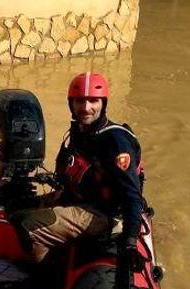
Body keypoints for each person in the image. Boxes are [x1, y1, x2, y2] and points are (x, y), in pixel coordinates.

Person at [9, 71, 145, 264]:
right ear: (71, 104)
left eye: (93, 101)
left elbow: (132, 196)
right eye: (80, 101)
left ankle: (41, 282)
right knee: (16, 211)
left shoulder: (116, 141)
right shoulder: (80, 132)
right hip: (78, 199)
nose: (86, 108)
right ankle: (50, 252)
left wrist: (130, 242)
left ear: (103, 103)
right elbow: (69, 173)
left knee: (28, 225)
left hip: (105, 213)